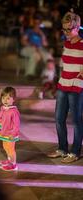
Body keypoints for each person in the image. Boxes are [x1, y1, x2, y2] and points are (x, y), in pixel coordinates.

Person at [47, 11, 83, 163]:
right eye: (64, 29)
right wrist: (59, 81)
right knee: (58, 118)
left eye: (70, 29)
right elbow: (64, 65)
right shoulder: (67, 43)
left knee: (76, 121)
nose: (66, 32)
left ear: (78, 27)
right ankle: (62, 149)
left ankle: (75, 152)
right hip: (63, 85)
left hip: (76, 87)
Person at [0, 87, 20, 171]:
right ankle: (9, 160)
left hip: (11, 133)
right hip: (4, 131)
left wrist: (13, 134)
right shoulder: (2, 108)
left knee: (11, 149)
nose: (5, 100)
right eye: (3, 98)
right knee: (5, 146)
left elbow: (16, 125)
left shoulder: (14, 111)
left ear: (13, 99)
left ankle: (13, 164)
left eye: (8, 98)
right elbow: (0, 118)